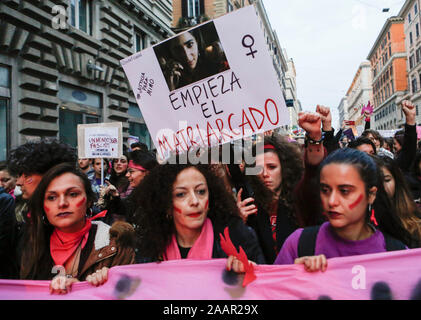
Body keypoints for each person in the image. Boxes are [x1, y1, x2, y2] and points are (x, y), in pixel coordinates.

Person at [19, 163, 135, 293]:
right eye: (51, 197)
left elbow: (128, 293)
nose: (62, 203)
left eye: (73, 194)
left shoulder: (116, 244)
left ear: (89, 200)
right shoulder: (30, 242)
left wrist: (98, 287)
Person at [132, 161, 265, 264]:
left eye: (201, 191)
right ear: (166, 204)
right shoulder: (150, 246)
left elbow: (262, 287)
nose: (195, 201)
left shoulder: (238, 237)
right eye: (181, 194)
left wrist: (249, 271)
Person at [7, 139, 78, 278]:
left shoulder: (67, 221)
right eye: (20, 175)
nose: (20, 182)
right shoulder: (26, 216)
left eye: (27, 175)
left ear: (49, 175)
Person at [236, 133, 304, 263]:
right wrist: (239, 223)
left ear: (285, 168)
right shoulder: (252, 208)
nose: (265, 174)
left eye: (272, 167)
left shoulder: (300, 202)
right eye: (259, 168)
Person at [159, 28, 229, 91]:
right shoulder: (167, 79)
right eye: (178, 50)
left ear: (197, 42)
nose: (187, 56)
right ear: (170, 52)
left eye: (190, 45)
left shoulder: (220, 66)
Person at [375, 155, 421, 248]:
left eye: (387, 180)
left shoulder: (415, 217)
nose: (383, 187)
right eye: (377, 181)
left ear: (396, 181)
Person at [103, 150, 159, 224]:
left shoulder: (158, 196)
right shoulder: (137, 192)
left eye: (131, 171)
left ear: (147, 173)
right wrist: (115, 196)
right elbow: (124, 209)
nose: (127, 175)